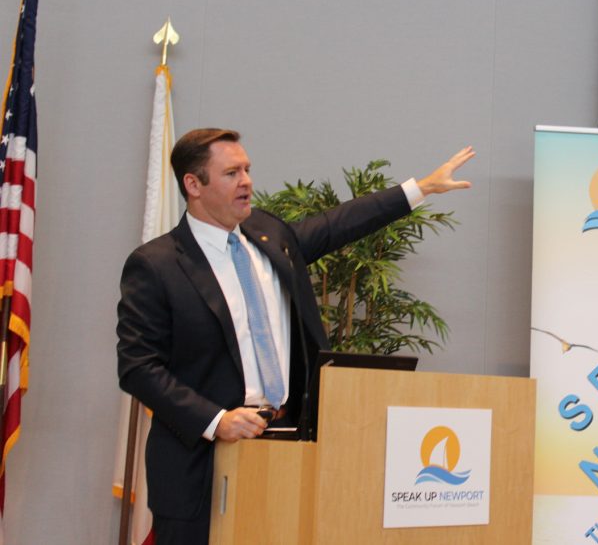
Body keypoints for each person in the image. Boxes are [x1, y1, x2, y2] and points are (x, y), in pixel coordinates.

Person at [116, 128, 474, 545]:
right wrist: (217, 421)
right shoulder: (156, 264)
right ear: (193, 185)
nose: (247, 181)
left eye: (247, 169)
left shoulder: (270, 236)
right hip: (200, 463)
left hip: (287, 446)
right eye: (232, 173)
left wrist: (421, 188)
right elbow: (138, 367)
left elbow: (338, 224)